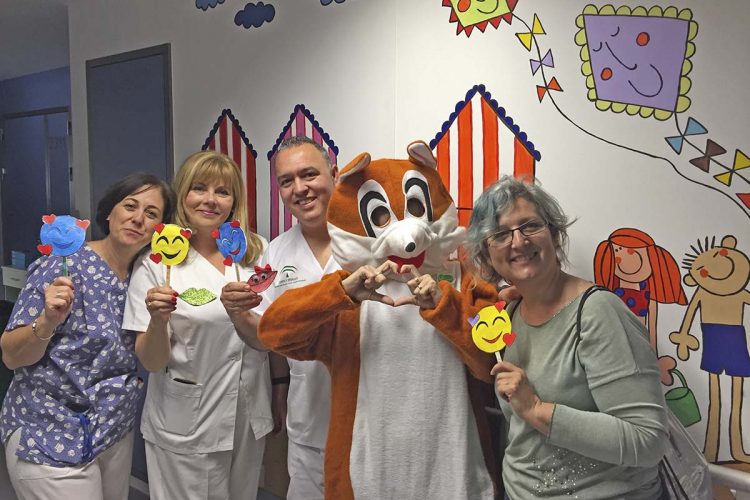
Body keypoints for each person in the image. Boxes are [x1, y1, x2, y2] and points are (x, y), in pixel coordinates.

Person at [466, 175, 669, 499]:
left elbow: (647, 441)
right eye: (501, 234)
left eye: (530, 226)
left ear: (555, 236)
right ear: (488, 255)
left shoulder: (598, 312)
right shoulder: (509, 315)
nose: (518, 242)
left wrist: (536, 409)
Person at [1, 172, 175, 500]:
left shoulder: (148, 277)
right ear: (110, 212)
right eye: (130, 206)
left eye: (151, 214)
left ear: (161, 229)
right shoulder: (61, 266)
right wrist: (48, 320)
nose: (138, 218)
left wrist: (158, 320)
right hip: (49, 428)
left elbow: (149, 358)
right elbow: (11, 355)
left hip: (112, 430)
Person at [122, 151, 271, 500]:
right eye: (199, 188)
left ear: (235, 201)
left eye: (223, 191)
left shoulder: (254, 253)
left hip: (247, 417)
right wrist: (158, 322)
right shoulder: (157, 263)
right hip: (186, 420)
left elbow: (271, 337)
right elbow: (152, 362)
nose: (210, 200)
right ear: (183, 194)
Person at [251, 136, 337, 500]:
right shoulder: (276, 251)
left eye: (309, 174)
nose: (299, 188)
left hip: (372, 422)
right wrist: (280, 386)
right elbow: (264, 330)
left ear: (334, 174)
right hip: (309, 423)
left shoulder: (370, 242)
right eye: (287, 181)